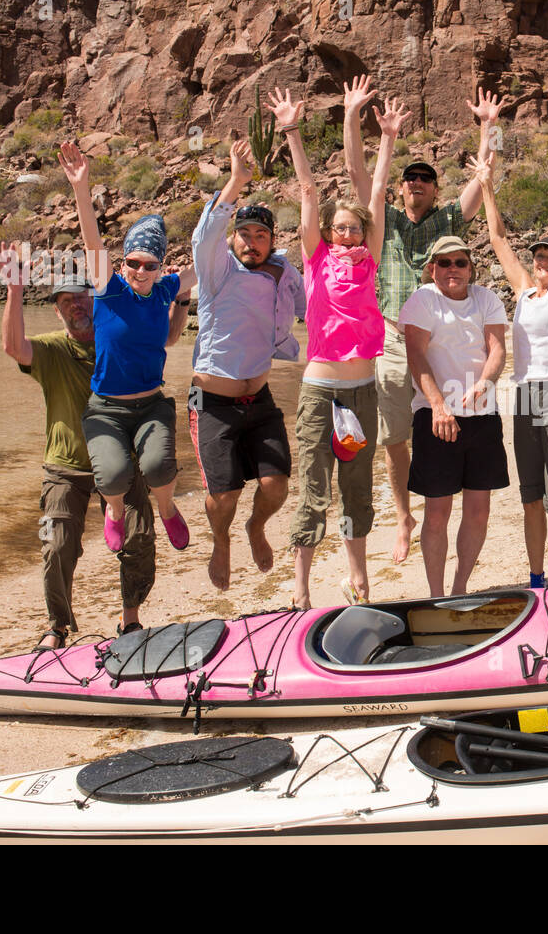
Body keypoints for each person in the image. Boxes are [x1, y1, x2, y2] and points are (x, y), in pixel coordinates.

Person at [343, 76, 503, 565]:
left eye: (425, 178)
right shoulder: (383, 220)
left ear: (435, 189)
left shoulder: (449, 221)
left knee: (443, 428)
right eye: (410, 178)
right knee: (395, 439)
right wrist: (354, 117)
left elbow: (484, 176)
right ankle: (405, 517)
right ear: (401, 187)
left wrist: (488, 128)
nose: (415, 182)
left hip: (444, 344)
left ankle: (437, 510)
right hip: (393, 342)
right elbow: (355, 172)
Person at [0, 242, 188, 647]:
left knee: (138, 538)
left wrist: (181, 297)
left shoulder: (115, 337)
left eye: (82, 297)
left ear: (96, 298)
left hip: (124, 462)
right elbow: (15, 347)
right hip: (66, 466)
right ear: (57, 309)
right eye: (66, 301)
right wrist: (14, 290)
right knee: (57, 543)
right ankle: (58, 627)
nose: (75, 306)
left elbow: (166, 337)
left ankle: (130, 620)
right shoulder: (51, 350)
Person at [265, 87, 405, 609]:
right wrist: (291, 130)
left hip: (361, 392)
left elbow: (379, 190)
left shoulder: (368, 255)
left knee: (356, 483)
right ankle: (300, 588)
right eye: (339, 227)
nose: (347, 233)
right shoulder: (316, 257)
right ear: (326, 232)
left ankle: (357, 578)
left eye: (354, 227)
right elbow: (306, 189)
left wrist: (387, 139)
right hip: (322, 390)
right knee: (314, 486)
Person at [61, 144, 195, 617]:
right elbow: (91, 240)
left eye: (149, 263)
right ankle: (114, 512)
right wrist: (81, 188)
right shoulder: (109, 288)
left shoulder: (166, 289)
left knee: (159, 468)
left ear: (161, 266)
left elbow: (208, 266)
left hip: (151, 403)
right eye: (133, 262)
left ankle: (167, 508)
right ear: (123, 265)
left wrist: (229, 204)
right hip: (107, 408)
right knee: (114, 476)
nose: (141, 270)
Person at [472, 130, 548, 588]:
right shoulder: (523, 291)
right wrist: (486, 183)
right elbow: (498, 236)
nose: (543, 260)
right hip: (524, 396)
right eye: (538, 255)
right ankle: (537, 577)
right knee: (530, 496)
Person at [189, 139, 306, 591]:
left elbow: (313, 309)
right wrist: (236, 181)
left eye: (261, 235)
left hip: (259, 398)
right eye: (245, 234)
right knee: (223, 496)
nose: (252, 242)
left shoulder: (282, 272)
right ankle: (222, 539)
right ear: (233, 237)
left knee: (276, 485)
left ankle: (255, 527)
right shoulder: (217, 270)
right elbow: (205, 235)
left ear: (272, 241)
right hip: (212, 403)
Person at [399, 236, 509, 597]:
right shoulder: (423, 300)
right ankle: (435, 594)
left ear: (470, 268)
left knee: (478, 513)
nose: (452, 269)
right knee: (436, 514)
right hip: (437, 419)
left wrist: (484, 383)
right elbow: (416, 354)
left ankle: (461, 587)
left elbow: (497, 349)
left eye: (460, 262)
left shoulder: (486, 299)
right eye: (444, 263)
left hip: (482, 418)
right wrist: (438, 406)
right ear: (432, 269)